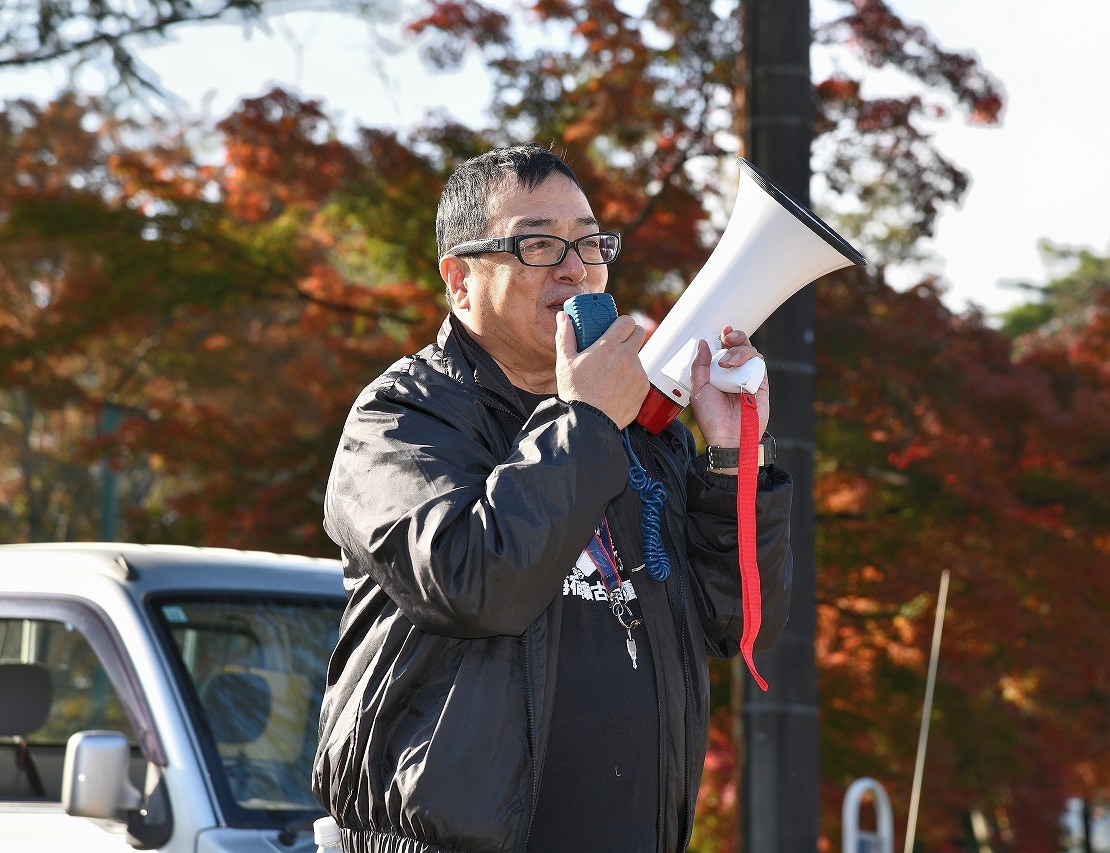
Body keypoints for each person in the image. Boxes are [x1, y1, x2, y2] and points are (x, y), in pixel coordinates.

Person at [313, 143, 793, 853]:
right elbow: (477, 583)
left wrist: (732, 455)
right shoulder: (402, 418)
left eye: (591, 242)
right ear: (459, 281)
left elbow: (734, 620)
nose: (576, 268)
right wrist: (588, 422)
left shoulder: (637, 429)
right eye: (538, 243)